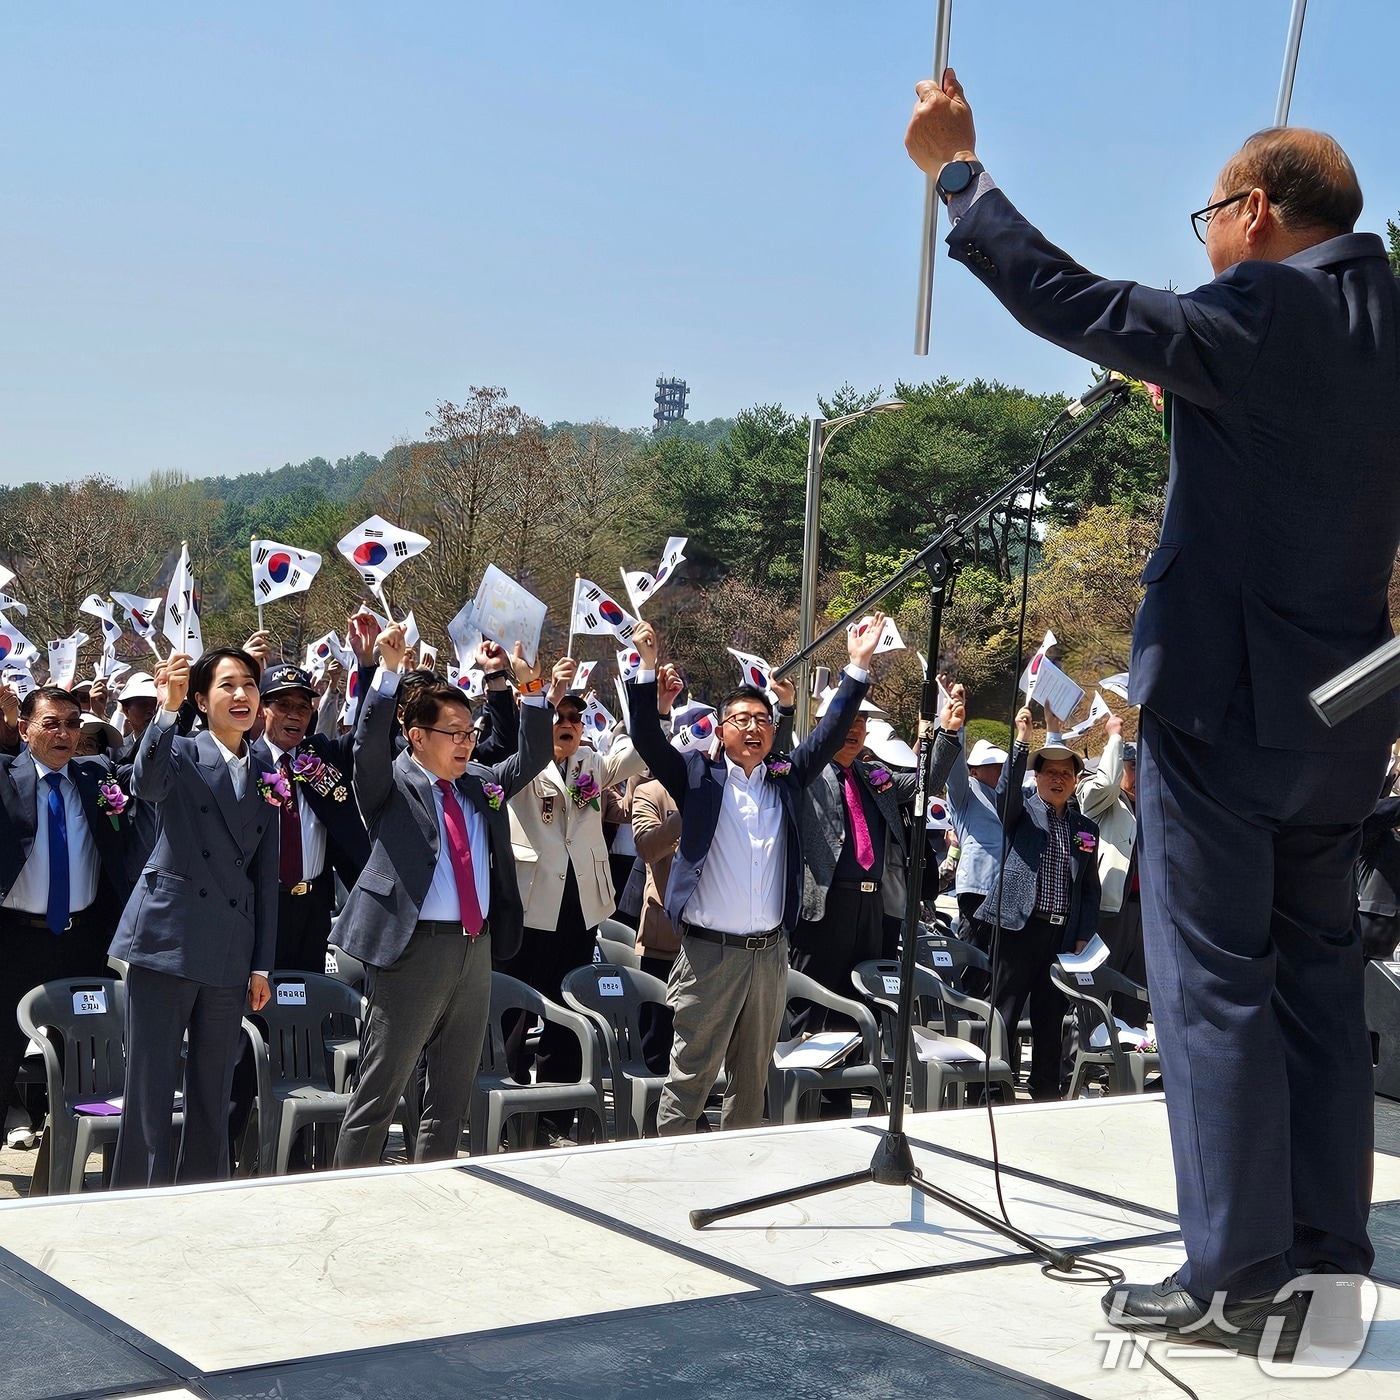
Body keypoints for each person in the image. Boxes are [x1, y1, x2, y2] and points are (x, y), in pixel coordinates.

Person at [906, 73, 1400, 1353]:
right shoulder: (1378, 314)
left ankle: (1232, 1269)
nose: (1206, 248)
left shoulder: (1257, 307)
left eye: (1207, 222)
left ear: (1251, 209)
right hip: (1339, 707)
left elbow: (1076, 302)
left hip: (1222, 700)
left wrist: (960, 179)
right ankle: (1323, 1259)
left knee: (1213, 984)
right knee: (1315, 982)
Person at [626, 612, 886, 1135]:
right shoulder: (697, 779)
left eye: (762, 720)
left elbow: (829, 732)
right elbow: (649, 741)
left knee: (752, 1081)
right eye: (740, 719)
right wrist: (647, 667)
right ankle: (667, 1174)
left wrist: (857, 667)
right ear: (720, 732)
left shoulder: (785, 780)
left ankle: (739, 1176)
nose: (752, 728)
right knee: (691, 1079)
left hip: (768, 955)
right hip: (708, 955)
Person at [331, 625, 564, 1168]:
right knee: (382, 1086)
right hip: (413, 947)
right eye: (453, 732)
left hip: (473, 947)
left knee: (453, 1086)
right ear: (416, 736)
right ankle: (345, 1192)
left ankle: (433, 1182)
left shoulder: (478, 783)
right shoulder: (391, 783)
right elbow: (365, 747)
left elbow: (531, 755)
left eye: (470, 730)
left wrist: (529, 689)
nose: (466, 741)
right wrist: (386, 672)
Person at [110, 648, 277, 1187]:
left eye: (249, 684)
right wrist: (164, 711)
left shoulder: (266, 767)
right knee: (150, 1085)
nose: (242, 695)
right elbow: (147, 785)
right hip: (168, 937)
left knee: (213, 1085)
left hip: (231, 945)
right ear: (201, 701)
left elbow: (265, 874)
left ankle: (204, 1194)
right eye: (227, 685)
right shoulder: (178, 751)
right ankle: (135, 1196)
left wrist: (262, 965)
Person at [789, 684, 965, 1115]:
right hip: (825, 905)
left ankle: (839, 1103)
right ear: (823, 726)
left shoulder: (874, 777)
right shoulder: (808, 773)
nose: (856, 729)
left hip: (872, 907)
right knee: (812, 1005)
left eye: (863, 722)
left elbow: (928, 782)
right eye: (847, 721)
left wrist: (948, 734)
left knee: (857, 1006)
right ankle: (797, 1100)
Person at [499, 684, 648, 1142]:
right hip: (530, 906)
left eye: (575, 719)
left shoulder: (591, 765)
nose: (567, 725)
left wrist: (652, 702)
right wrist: (537, 709)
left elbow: (640, 755)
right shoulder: (523, 762)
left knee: (568, 1010)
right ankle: (507, 1111)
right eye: (558, 717)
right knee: (517, 1013)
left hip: (580, 908)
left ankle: (554, 1116)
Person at [0, 685, 134, 1147]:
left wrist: (171, 710)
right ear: (24, 729)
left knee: (80, 1056)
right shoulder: (6, 775)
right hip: (15, 943)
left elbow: (148, 768)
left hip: (81, 941)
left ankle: (69, 1158)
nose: (64, 733)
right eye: (51, 723)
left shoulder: (97, 777)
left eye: (73, 723)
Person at [976, 707, 1101, 1101]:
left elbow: (1089, 888)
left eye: (1066, 774)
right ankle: (990, 1088)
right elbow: (1005, 793)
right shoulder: (1022, 812)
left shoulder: (1085, 828)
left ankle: (1046, 1089)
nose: (1058, 779)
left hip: (1061, 935)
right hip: (1018, 927)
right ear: (1038, 776)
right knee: (1004, 1010)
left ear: (1076, 780)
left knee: (1051, 1016)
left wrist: (1083, 934)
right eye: (1050, 772)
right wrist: (1021, 741)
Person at [250, 613, 377, 972]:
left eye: (303, 707)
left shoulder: (321, 755)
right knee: (256, 1009)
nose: (295, 715)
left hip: (313, 907)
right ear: (262, 709)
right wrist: (244, 671)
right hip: (259, 908)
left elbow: (368, 735)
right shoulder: (243, 760)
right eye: (284, 705)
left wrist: (367, 665)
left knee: (306, 1004)